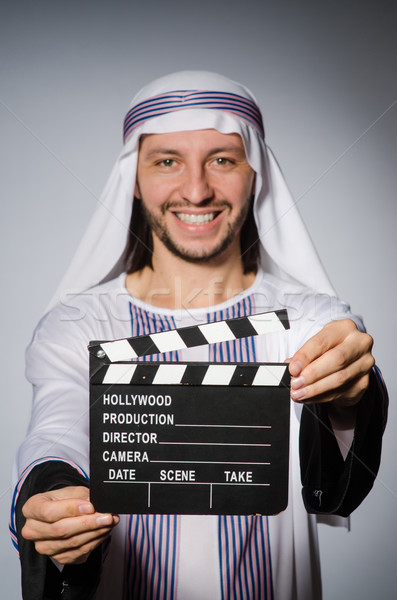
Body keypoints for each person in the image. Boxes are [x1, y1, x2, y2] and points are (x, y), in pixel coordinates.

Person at [10, 71, 388, 600]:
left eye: (222, 159)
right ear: (133, 180)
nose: (196, 190)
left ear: (255, 174)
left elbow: (335, 364)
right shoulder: (80, 326)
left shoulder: (306, 317)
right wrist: (54, 494)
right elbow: (58, 427)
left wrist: (348, 394)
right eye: (167, 160)